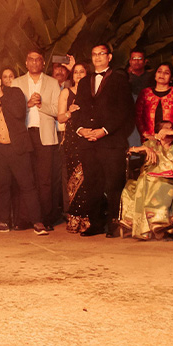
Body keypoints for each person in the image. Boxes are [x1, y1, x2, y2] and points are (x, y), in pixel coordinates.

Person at [71, 44, 136, 237]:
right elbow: (77, 109)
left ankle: (113, 225)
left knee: (113, 184)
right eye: (94, 54)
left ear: (109, 57)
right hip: (88, 142)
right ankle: (96, 224)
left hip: (111, 141)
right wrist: (81, 129)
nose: (98, 57)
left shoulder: (119, 79)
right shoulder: (84, 82)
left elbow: (124, 111)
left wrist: (104, 131)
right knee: (92, 183)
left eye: (101, 54)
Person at [0, 67, 47, 235]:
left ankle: (38, 222)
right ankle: (3, 222)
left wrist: (1, 95)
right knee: (2, 187)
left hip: (16, 147)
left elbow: (18, 113)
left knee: (27, 186)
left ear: (0, 82)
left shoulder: (15, 93)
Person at [121, 120, 173, 239]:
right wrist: (144, 149)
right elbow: (129, 150)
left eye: (171, 129)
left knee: (155, 184)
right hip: (149, 177)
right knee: (132, 185)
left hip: (169, 179)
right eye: (166, 129)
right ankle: (137, 223)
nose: (169, 131)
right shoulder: (152, 144)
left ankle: (158, 222)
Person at [18, 49, 62, 228]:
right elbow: (12, 111)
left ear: (43, 63)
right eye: (31, 59)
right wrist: (26, 106)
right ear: (26, 62)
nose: (34, 63)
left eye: (38, 60)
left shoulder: (53, 83)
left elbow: (58, 111)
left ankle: (45, 218)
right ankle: (25, 218)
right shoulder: (17, 82)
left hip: (45, 136)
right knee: (25, 178)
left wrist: (41, 104)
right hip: (24, 135)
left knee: (45, 179)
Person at [58, 62, 91, 232]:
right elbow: (60, 118)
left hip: (89, 137)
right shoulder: (66, 92)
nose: (78, 75)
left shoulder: (93, 92)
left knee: (88, 178)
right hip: (71, 138)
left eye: (82, 72)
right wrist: (70, 112)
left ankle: (87, 216)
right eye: (75, 72)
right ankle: (74, 216)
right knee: (73, 178)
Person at [136, 62, 173, 141]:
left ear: (171, 77)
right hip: (149, 140)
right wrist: (145, 135)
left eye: (166, 73)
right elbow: (138, 116)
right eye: (159, 71)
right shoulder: (145, 93)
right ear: (155, 75)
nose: (162, 75)